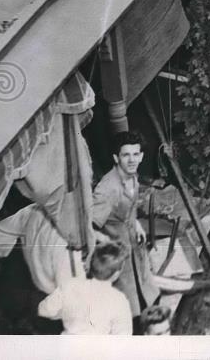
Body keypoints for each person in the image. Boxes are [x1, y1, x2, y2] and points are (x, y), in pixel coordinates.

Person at [92, 131, 159, 322]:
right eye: (125, 155)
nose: (132, 160)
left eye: (135, 154)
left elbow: (129, 207)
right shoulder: (107, 190)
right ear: (116, 158)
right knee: (126, 302)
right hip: (118, 253)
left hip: (133, 245)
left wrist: (135, 222)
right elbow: (91, 227)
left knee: (146, 285)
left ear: (141, 156)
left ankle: (150, 315)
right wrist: (107, 243)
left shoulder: (132, 177)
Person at [37, 241, 133, 335]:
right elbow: (123, 337)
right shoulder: (119, 300)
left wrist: (66, 311)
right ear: (116, 274)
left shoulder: (70, 286)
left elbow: (44, 310)